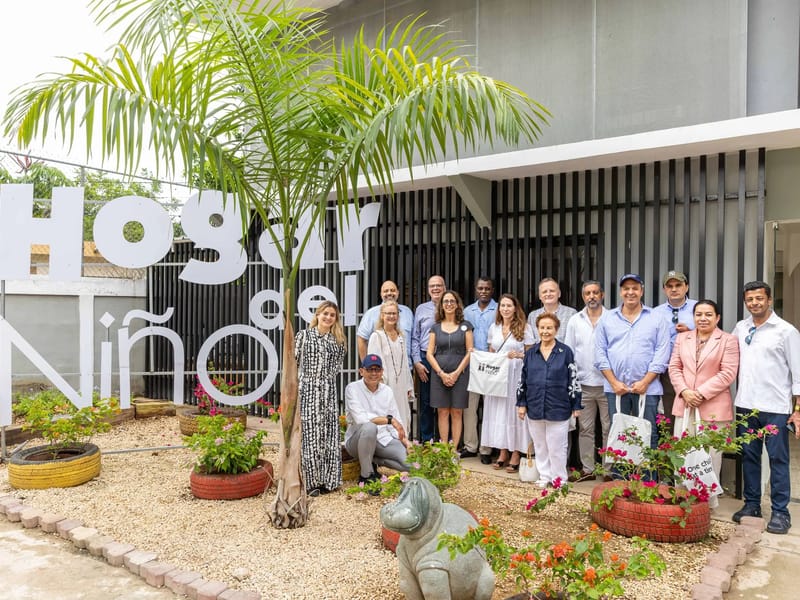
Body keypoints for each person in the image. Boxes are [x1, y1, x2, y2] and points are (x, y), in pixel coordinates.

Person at [731, 281, 800, 534]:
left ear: (769, 299)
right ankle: (752, 505)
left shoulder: (786, 331)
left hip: (775, 408)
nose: (754, 303)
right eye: (750, 299)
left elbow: (798, 373)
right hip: (746, 405)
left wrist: (797, 409)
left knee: (778, 460)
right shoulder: (741, 327)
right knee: (749, 457)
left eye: (759, 298)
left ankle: (781, 512)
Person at [668, 299, 739, 508]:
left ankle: (705, 505)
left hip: (713, 409)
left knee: (708, 458)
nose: (703, 318)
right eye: (699, 314)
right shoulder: (683, 338)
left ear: (717, 318)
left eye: (708, 314)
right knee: (682, 454)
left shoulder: (728, 340)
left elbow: (728, 373)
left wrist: (699, 393)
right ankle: (681, 500)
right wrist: (684, 391)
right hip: (685, 406)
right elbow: (674, 367)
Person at [594, 273, 671, 449]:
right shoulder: (607, 319)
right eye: (626, 288)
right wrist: (614, 382)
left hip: (648, 389)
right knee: (618, 434)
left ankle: (646, 477)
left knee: (648, 433)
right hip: (616, 389)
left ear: (641, 291)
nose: (631, 292)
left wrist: (645, 382)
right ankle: (621, 476)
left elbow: (662, 353)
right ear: (621, 292)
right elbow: (599, 353)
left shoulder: (656, 318)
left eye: (635, 288)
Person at [516, 312, 582, 488]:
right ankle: (544, 476)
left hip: (559, 406)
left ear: (556, 330)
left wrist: (576, 404)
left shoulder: (565, 352)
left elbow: (573, 378)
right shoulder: (531, 354)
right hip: (535, 404)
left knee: (557, 447)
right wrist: (521, 404)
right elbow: (523, 379)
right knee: (540, 444)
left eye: (549, 328)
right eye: (542, 328)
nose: (545, 331)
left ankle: (559, 479)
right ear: (537, 329)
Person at [296, 300, 347, 496]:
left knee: (328, 435)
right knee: (310, 436)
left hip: (328, 391)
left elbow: (335, 369)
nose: (328, 317)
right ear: (318, 315)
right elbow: (294, 362)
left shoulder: (338, 342)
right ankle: (310, 482)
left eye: (332, 315)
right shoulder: (304, 336)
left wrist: (324, 383)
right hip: (307, 389)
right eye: (325, 313)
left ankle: (328, 480)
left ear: (335, 319)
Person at [344, 354, 411, 495]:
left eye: (377, 369)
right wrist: (388, 420)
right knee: (369, 427)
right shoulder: (352, 389)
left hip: (383, 439)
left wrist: (406, 442)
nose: (374, 373)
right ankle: (366, 475)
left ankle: (374, 459)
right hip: (357, 442)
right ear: (361, 371)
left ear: (382, 372)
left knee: (410, 464)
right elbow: (361, 419)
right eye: (370, 369)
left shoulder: (387, 391)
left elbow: (397, 420)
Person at [481, 293, 533, 472]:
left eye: (509, 305)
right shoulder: (494, 327)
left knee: (514, 413)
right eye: (502, 306)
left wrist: (518, 355)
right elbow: (491, 350)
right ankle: (502, 451)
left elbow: (532, 355)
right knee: (499, 413)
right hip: (498, 376)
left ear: (515, 308)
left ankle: (516, 453)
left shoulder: (525, 328)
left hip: (516, 375)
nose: (505, 309)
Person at [564, 280, 609, 481]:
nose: (592, 296)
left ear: (602, 295)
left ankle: (609, 470)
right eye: (588, 293)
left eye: (595, 293)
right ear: (583, 297)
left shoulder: (612, 318)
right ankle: (588, 468)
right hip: (583, 384)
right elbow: (569, 352)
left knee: (609, 428)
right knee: (586, 429)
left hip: (608, 384)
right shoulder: (575, 320)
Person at [427, 290, 473, 449]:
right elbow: (429, 353)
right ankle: (444, 449)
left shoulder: (466, 326)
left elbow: (470, 352)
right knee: (442, 412)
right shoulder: (435, 328)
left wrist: (455, 373)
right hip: (439, 375)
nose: (449, 304)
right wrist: (441, 373)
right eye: (445, 301)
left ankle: (454, 451)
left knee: (457, 412)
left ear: (457, 304)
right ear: (441, 305)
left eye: (452, 301)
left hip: (460, 375)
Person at [462, 277, 498, 460]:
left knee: (490, 408)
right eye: (480, 288)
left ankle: (486, 449)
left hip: (493, 364)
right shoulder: (468, 311)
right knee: (470, 407)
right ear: (476, 290)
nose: (483, 291)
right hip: (473, 364)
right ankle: (470, 446)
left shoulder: (500, 309)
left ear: (492, 290)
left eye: (487, 288)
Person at [654, 270, 697, 417]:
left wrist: (690, 331)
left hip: (694, 366)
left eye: (678, 285)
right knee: (670, 410)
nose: (674, 289)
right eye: (669, 286)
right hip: (667, 368)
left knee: (695, 408)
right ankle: (672, 440)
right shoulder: (656, 313)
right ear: (664, 289)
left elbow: (712, 334)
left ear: (687, 287)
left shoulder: (698, 308)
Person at [367, 299, 414, 435]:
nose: (391, 316)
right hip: (385, 384)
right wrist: (379, 385)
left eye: (394, 313)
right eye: (388, 313)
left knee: (403, 414)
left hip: (401, 384)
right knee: (387, 415)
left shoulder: (401, 336)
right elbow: (374, 366)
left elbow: (405, 363)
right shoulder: (377, 336)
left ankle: (404, 446)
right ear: (382, 315)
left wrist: (409, 385)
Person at [411, 275, 446, 441]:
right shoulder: (421, 309)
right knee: (425, 401)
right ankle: (427, 440)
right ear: (428, 289)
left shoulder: (450, 306)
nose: (436, 288)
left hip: (446, 358)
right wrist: (417, 361)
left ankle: (445, 441)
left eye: (439, 285)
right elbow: (415, 337)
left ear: (444, 288)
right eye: (432, 286)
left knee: (445, 402)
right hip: (425, 358)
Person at [357, 280, 414, 361]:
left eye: (393, 290)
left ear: (398, 293)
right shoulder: (371, 313)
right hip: (380, 368)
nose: (389, 293)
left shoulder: (407, 312)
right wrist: (366, 365)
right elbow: (361, 339)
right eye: (386, 291)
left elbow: (414, 339)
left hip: (406, 366)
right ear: (381, 294)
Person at [527, 277, 577, 343]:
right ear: (540, 296)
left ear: (559, 294)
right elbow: (530, 342)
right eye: (544, 292)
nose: (548, 294)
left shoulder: (571, 313)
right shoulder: (532, 316)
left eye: (552, 291)